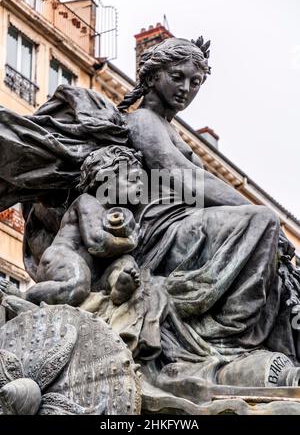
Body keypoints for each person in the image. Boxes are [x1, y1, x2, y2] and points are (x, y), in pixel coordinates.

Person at [114, 37, 300, 391]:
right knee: (262, 221)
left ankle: (256, 341)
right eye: (178, 77)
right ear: (153, 76)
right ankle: (228, 336)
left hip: (189, 225)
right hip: (163, 232)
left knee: (268, 240)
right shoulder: (142, 120)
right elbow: (175, 173)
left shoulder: (171, 128)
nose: (186, 88)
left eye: (195, 82)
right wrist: (251, 209)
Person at [0, 145, 142, 307]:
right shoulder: (88, 201)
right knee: (78, 283)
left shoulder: (113, 213)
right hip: (61, 258)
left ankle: (118, 287)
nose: (140, 186)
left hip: (91, 272)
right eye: (133, 179)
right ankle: (25, 295)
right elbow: (97, 242)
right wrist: (130, 242)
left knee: (126, 261)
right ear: (105, 179)